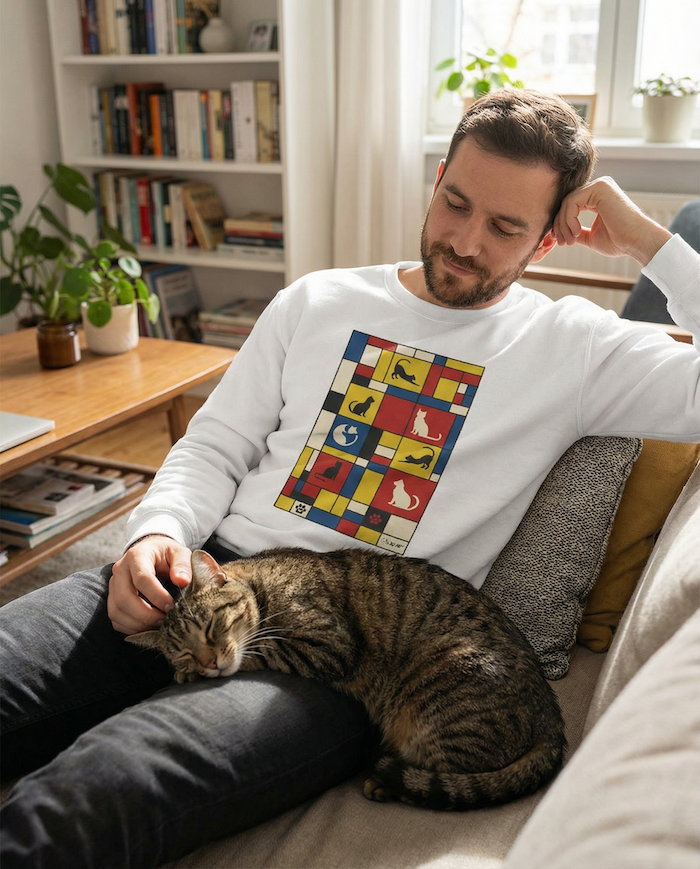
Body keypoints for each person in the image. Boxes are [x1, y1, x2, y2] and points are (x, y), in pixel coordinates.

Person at [1, 89, 699, 869]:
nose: (465, 242)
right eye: (456, 203)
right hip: (203, 570)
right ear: (436, 179)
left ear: (547, 240)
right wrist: (156, 533)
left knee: (94, 790)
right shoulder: (319, 298)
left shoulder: (577, 347)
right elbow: (215, 445)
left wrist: (647, 241)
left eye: (505, 227)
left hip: (344, 655)